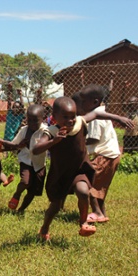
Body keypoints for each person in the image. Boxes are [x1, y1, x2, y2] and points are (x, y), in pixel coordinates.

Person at [32, 97, 133, 241]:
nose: (70, 120)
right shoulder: (52, 132)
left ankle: (83, 222)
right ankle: (44, 228)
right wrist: (54, 141)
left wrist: (118, 118)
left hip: (79, 170)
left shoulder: (80, 122)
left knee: (83, 192)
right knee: (55, 207)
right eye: (65, 117)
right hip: (60, 174)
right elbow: (36, 149)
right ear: (54, 117)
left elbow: (97, 114)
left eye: (72, 116)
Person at [80, 85, 121, 223]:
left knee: (88, 183)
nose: (82, 104)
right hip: (111, 155)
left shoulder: (96, 117)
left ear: (95, 101)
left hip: (104, 155)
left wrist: (79, 142)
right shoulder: (101, 111)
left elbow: (94, 138)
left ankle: (97, 213)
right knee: (99, 186)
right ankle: (102, 212)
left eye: (84, 101)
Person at [0, 105, 48, 213]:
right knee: (25, 181)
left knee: (32, 192)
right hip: (25, 161)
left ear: (43, 118)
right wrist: (2, 143)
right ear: (26, 119)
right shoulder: (24, 130)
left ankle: (21, 209)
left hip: (39, 164)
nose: (32, 123)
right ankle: (17, 194)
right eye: (30, 120)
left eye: (36, 120)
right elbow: (14, 144)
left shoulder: (46, 131)